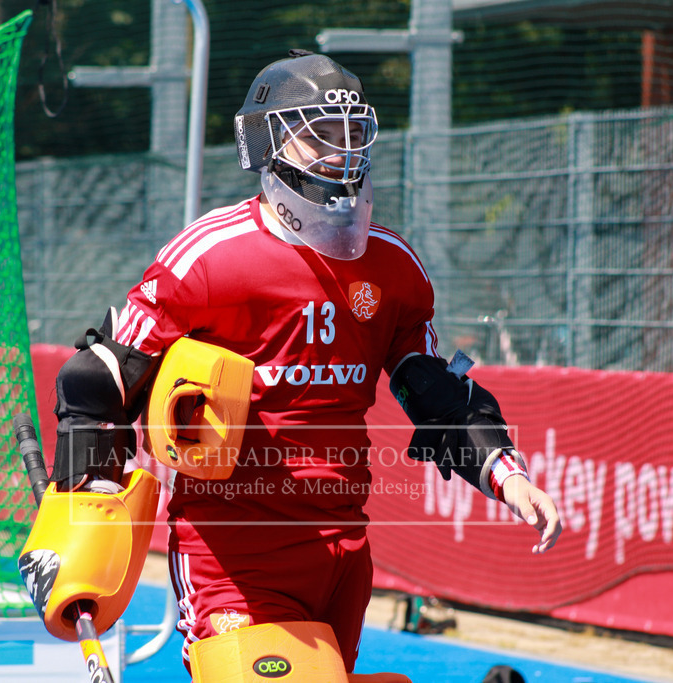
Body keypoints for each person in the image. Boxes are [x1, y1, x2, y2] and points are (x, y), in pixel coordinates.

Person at [49, 49, 563, 675]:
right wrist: (83, 503)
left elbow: (436, 391)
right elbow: (99, 378)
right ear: (270, 143)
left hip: (344, 552)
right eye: (321, 133)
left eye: (351, 134)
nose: (341, 152)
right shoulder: (212, 256)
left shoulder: (392, 266)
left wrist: (506, 473)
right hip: (236, 556)